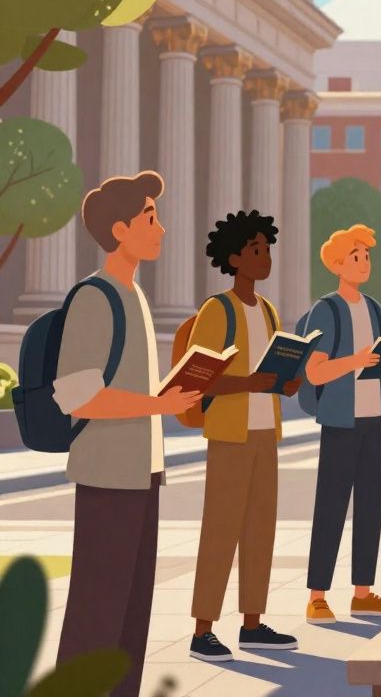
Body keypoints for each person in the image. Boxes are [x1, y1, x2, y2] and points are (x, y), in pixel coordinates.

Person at [55, 171, 202, 696]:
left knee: (131, 611)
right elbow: (77, 395)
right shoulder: (95, 297)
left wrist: (172, 391)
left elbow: (127, 386)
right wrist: (158, 403)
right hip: (107, 475)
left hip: (142, 472)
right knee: (98, 609)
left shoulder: (134, 295)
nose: (161, 228)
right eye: (150, 218)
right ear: (120, 230)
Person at [187, 210, 302, 661]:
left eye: (268, 249)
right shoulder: (217, 311)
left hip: (263, 433)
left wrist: (283, 383)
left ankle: (252, 623)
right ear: (234, 257)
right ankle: (202, 630)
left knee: (260, 530)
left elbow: (268, 372)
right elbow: (198, 380)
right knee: (220, 530)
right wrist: (250, 383)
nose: (265, 257)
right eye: (256, 250)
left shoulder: (269, 311)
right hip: (229, 435)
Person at [303, 224, 381, 624]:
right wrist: (355, 361)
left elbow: (379, 362)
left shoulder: (376, 309)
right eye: (356, 256)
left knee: (370, 506)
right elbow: (315, 372)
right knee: (330, 506)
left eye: (367, 256)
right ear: (337, 264)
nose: (364, 262)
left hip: (372, 420)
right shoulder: (325, 310)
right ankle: (317, 595)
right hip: (340, 422)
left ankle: (363, 592)